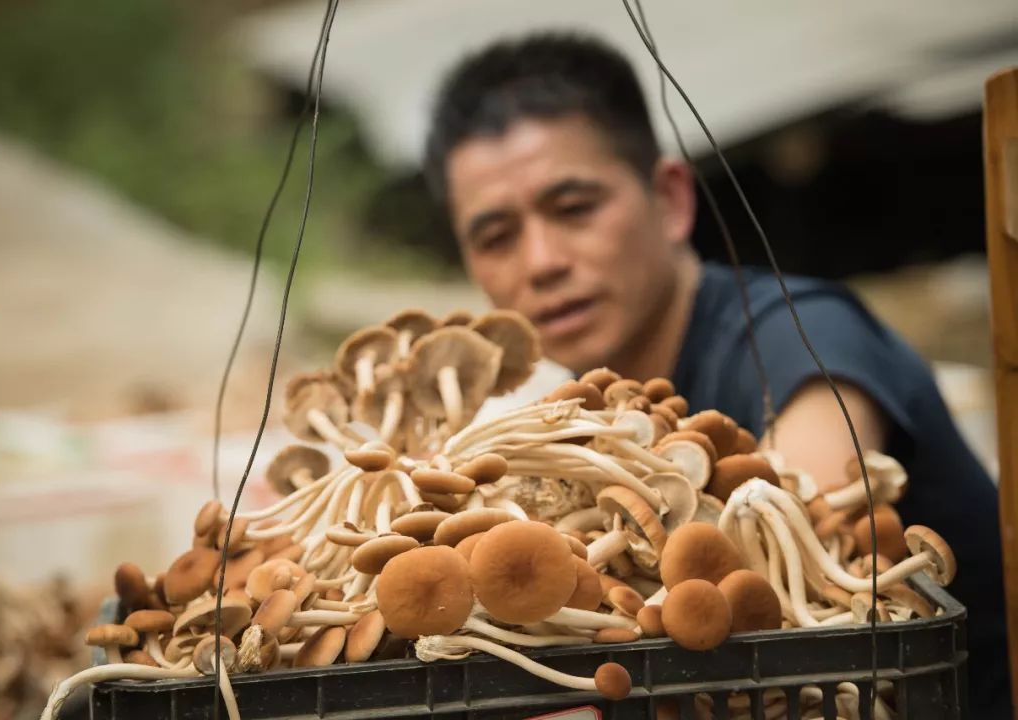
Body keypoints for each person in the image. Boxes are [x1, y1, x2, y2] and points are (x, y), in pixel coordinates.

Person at [423, 32, 1010, 717]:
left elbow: (800, 536)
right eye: (497, 236)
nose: (543, 260)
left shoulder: (801, 335)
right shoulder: (586, 418)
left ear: (671, 198)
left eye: (574, 207)